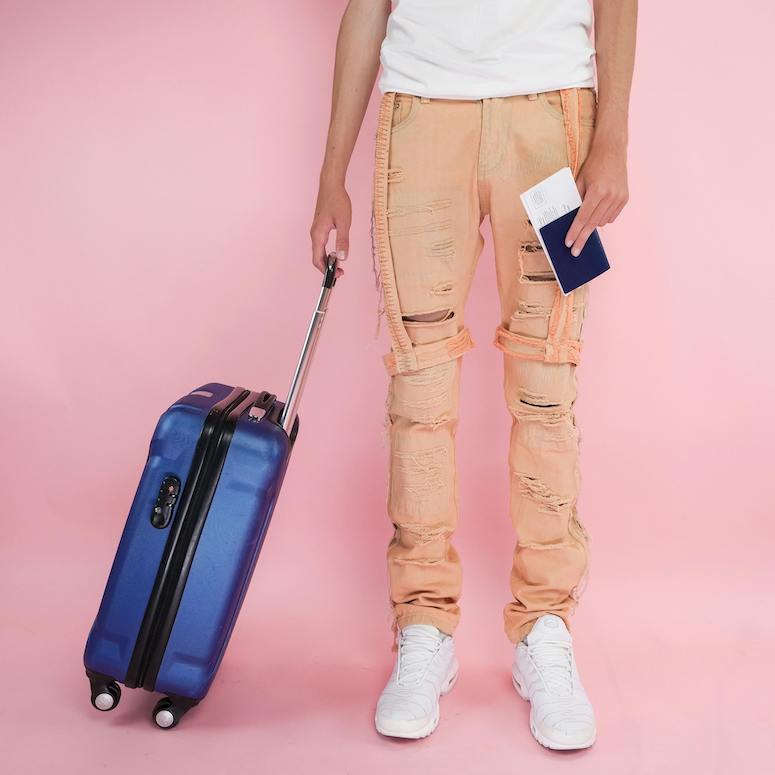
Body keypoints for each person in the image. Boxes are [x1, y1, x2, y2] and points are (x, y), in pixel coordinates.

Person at [310, 0, 636, 750]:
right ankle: (423, 626)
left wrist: (612, 133)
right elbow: (368, 7)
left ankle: (544, 630)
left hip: (551, 116)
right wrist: (331, 172)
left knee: (546, 388)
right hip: (422, 117)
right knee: (417, 391)